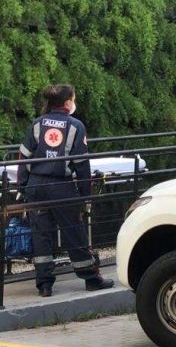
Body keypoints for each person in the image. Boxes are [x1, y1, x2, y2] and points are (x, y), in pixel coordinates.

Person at [18, 84, 114, 297]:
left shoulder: (37, 124)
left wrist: (23, 186)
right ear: (68, 102)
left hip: (36, 187)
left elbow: (23, 157)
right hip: (62, 188)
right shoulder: (76, 126)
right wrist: (85, 194)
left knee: (41, 235)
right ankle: (91, 278)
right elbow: (81, 165)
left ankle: (44, 285)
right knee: (74, 233)